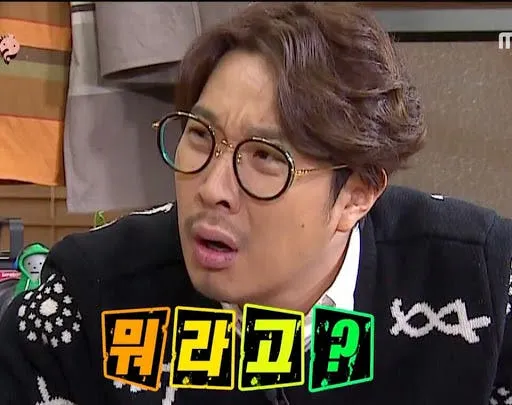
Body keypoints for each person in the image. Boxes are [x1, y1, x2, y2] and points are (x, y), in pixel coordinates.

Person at [0, 3, 510, 405]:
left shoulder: (481, 282)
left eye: (265, 156)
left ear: (357, 194)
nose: (211, 188)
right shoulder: (87, 299)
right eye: (200, 135)